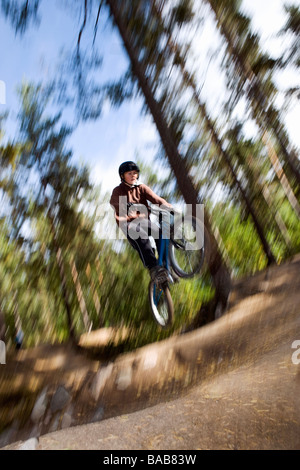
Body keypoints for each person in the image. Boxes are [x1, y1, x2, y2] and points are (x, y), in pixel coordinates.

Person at [110, 161, 173, 283]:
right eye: (129, 173)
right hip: (129, 225)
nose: (133, 175)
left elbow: (156, 199)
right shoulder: (118, 191)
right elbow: (115, 205)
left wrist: (167, 206)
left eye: (135, 173)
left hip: (144, 222)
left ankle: (166, 266)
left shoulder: (142, 188)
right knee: (138, 234)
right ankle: (153, 268)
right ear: (122, 176)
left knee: (161, 233)